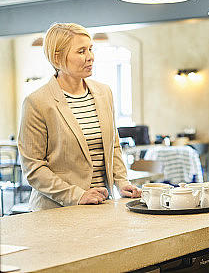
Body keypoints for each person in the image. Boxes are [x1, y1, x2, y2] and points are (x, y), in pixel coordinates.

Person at [18, 23, 141, 211]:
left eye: (91, 49)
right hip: (56, 211)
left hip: (101, 206)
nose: (90, 57)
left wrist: (122, 182)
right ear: (57, 57)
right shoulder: (36, 102)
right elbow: (33, 168)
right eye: (81, 51)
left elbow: (113, 146)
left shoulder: (104, 93)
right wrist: (77, 195)